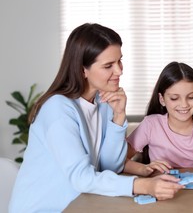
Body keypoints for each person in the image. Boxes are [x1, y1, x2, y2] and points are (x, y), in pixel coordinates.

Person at [9, 23, 183, 213]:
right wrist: (143, 185)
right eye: (108, 65)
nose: (119, 71)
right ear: (83, 69)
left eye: (119, 61)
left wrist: (118, 116)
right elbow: (81, 178)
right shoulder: (57, 109)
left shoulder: (102, 102)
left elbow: (110, 166)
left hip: (82, 205)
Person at [124, 61, 193, 176]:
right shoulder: (151, 124)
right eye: (174, 98)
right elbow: (119, 159)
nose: (184, 105)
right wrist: (144, 168)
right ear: (162, 99)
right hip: (160, 186)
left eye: (191, 97)